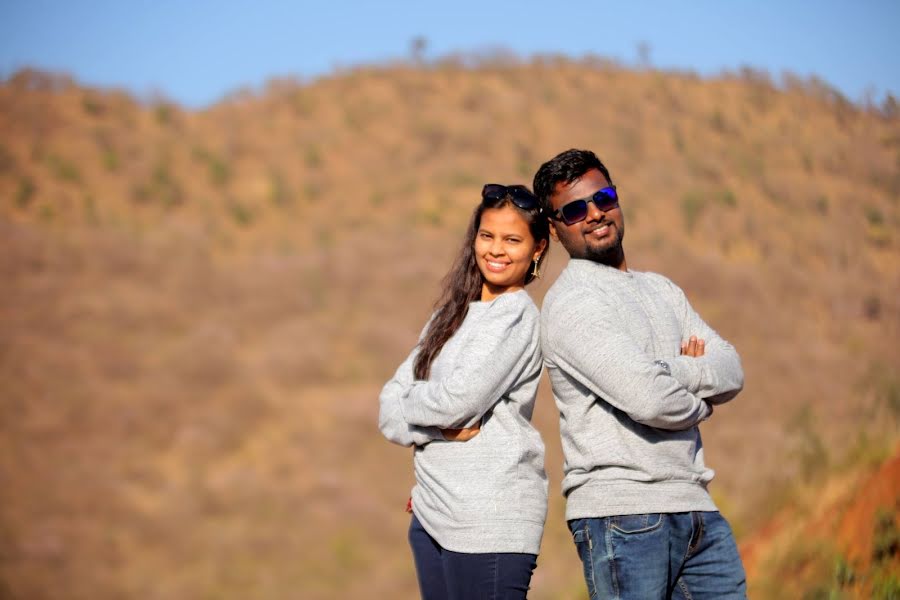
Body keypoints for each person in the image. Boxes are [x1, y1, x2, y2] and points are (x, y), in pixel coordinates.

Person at [533, 149, 747, 599]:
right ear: (554, 228)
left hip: (696, 508)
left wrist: (671, 370)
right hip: (624, 516)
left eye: (603, 198)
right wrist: (701, 399)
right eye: (574, 209)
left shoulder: (662, 290)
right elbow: (651, 400)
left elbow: (730, 367)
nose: (593, 214)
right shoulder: (573, 303)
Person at [378, 184, 551, 600]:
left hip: (488, 520)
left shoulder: (516, 318)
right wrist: (436, 429)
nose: (496, 249)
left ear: (538, 249)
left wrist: (416, 405)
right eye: (487, 235)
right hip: (431, 516)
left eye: (512, 240)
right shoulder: (447, 316)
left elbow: (460, 402)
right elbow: (388, 411)